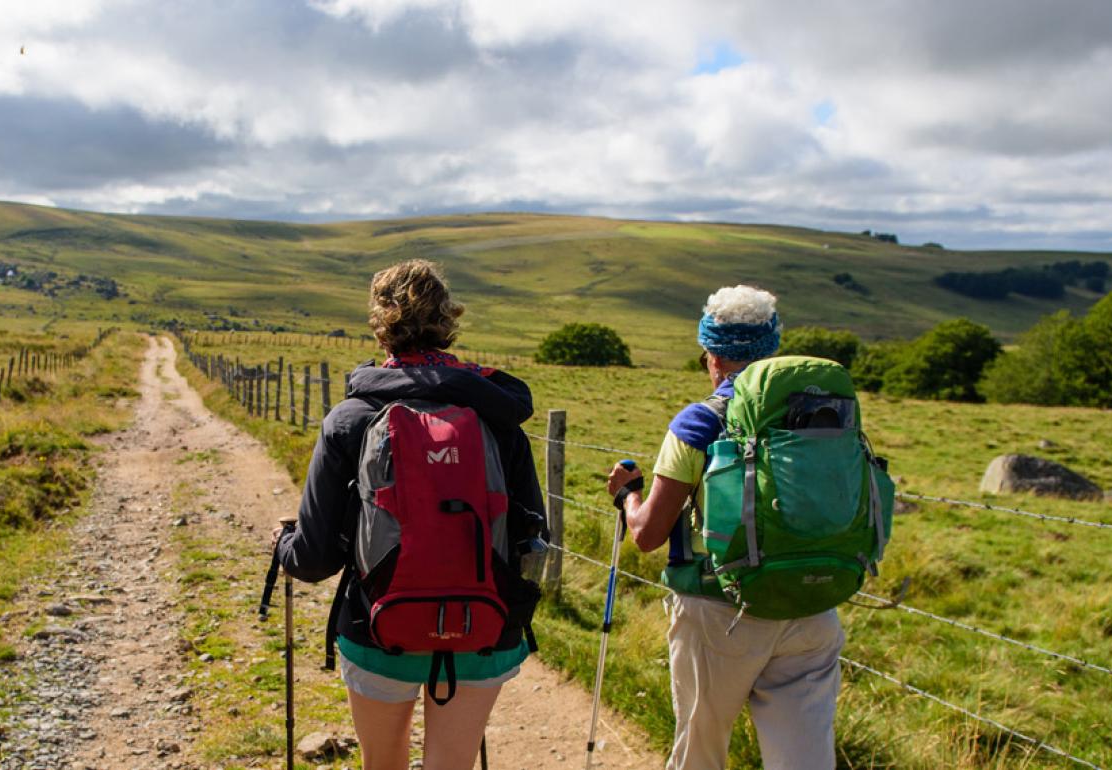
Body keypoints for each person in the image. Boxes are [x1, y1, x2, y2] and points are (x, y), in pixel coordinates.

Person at [278, 259, 546, 770]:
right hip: (483, 626)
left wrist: (283, 544)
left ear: (381, 328)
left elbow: (312, 560)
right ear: (447, 323)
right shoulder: (498, 417)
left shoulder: (350, 419)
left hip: (378, 623)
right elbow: (531, 534)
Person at [604, 286, 844, 770]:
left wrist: (628, 494)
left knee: (701, 753)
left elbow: (648, 534)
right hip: (814, 606)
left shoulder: (699, 422)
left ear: (712, 354)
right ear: (772, 349)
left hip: (722, 611)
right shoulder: (826, 414)